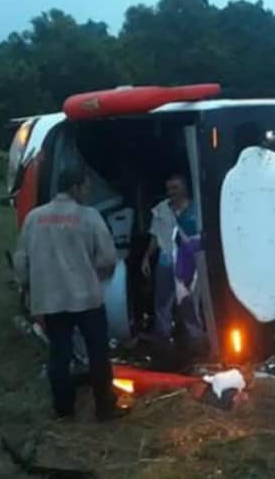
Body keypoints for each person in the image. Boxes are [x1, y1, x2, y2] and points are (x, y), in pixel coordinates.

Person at [13, 167, 127, 422]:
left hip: (52, 300)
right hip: (86, 297)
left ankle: (64, 410)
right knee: (98, 352)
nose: (87, 192)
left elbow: (21, 260)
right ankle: (105, 408)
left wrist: (27, 286)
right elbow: (108, 258)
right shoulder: (89, 217)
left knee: (59, 354)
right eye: (85, 187)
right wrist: (97, 276)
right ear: (75, 187)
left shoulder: (34, 218)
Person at [140, 174, 200, 344]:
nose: (171, 192)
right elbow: (155, 236)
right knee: (163, 301)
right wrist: (146, 258)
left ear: (184, 188)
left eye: (175, 188)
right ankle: (163, 336)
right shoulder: (161, 209)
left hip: (189, 262)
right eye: (169, 189)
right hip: (166, 261)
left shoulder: (196, 208)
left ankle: (195, 337)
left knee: (189, 301)